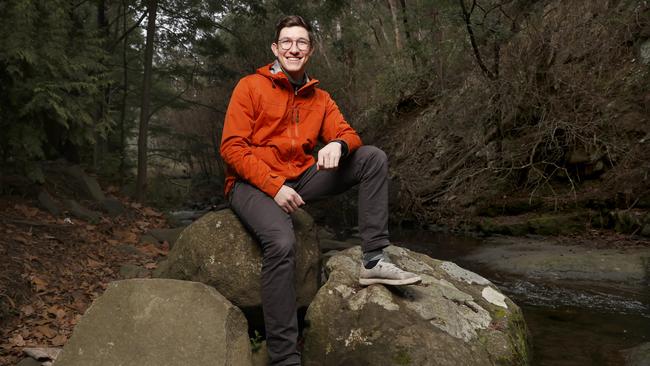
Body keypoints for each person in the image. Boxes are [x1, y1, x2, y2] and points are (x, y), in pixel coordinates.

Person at [220, 15, 421, 366]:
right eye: (286, 42)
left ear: (310, 51)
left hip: (300, 178)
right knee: (282, 242)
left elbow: (349, 133)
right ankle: (284, 358)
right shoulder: (250, 86)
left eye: (301, 43)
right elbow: (232, 148)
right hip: (250, 184)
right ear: (275, 48)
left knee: (371, 158)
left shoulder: (320, 98)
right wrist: (274, 186)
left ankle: (374, 259)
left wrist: (340, 146)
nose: (293, 48)